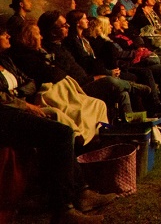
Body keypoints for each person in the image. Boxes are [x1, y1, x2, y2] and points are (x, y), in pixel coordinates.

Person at [1, 26, 117, 224]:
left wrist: (20, 95)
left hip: (16, 105)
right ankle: (65, 208)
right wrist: (23, 102)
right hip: (5, 114)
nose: (7, 35)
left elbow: (27, 82)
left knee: (59, 124)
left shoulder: (5, 59)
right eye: (3, 34)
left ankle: (80, 192)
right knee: (60, 133)